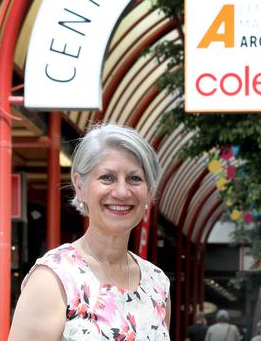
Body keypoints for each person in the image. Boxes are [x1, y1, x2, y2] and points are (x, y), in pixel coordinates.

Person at [9, 123, 170, 340]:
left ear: (149, 193)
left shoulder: (157, 283)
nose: (122, 192)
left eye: (135, 179)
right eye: (107, 177)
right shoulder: (54, 279)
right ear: (80, 186)